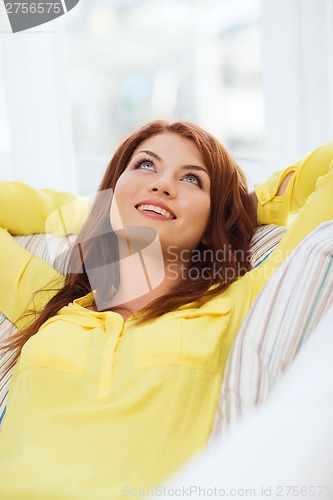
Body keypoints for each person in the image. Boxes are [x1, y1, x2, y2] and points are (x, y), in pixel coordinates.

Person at [0, 120, 332, 499]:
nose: (162, 185)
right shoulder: (46, 303)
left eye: (193, 180)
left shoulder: (238, 302)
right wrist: (96, 211)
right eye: (145, 165)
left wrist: (242, 207)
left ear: (211, 222)